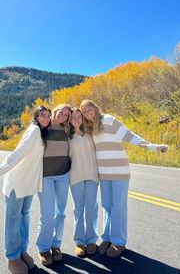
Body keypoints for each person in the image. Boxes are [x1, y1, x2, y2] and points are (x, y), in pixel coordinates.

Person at [80, 99, 168, 258]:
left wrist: (153, 146)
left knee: (118, 207)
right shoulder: (90, 128)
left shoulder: (109, 120)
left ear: (95, 107)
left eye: (89, 109)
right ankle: (106, 238)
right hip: (104, 174)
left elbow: (130, 136)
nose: (87, 113)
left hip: (119, 172)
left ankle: (118, 242)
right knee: (106, 206)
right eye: (84, 111)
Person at [0, 106, 51, 274]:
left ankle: (22, 251)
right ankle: (12, 257)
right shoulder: (34, 130)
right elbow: (19, 152)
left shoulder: (42, 132)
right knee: (13, 219)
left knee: (24, 218)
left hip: (28, 185)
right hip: (17, 183)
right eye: (42, 115)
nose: (46, 118)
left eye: (48, 116)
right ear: (36, 117)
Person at [36, 104, 72, 266]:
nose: (62, 116)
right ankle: (43, 247)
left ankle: (56, 245)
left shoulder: (67, 129)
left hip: (63, 175)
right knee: (47, 214)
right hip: (45, 177)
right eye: (60, 112)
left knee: (60, 213)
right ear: (55, 111)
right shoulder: (44, 126)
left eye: (66, 114)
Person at [68, 109, 99, 257]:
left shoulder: (90, 133)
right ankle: (80, 242)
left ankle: (92, 240)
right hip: (76, 177)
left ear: (82, 118)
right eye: (72, 117)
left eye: (78, 116)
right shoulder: (67, 137)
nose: (76, 119)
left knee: (91, 209)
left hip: (92, 175)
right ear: (69, 119)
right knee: (78, 210)